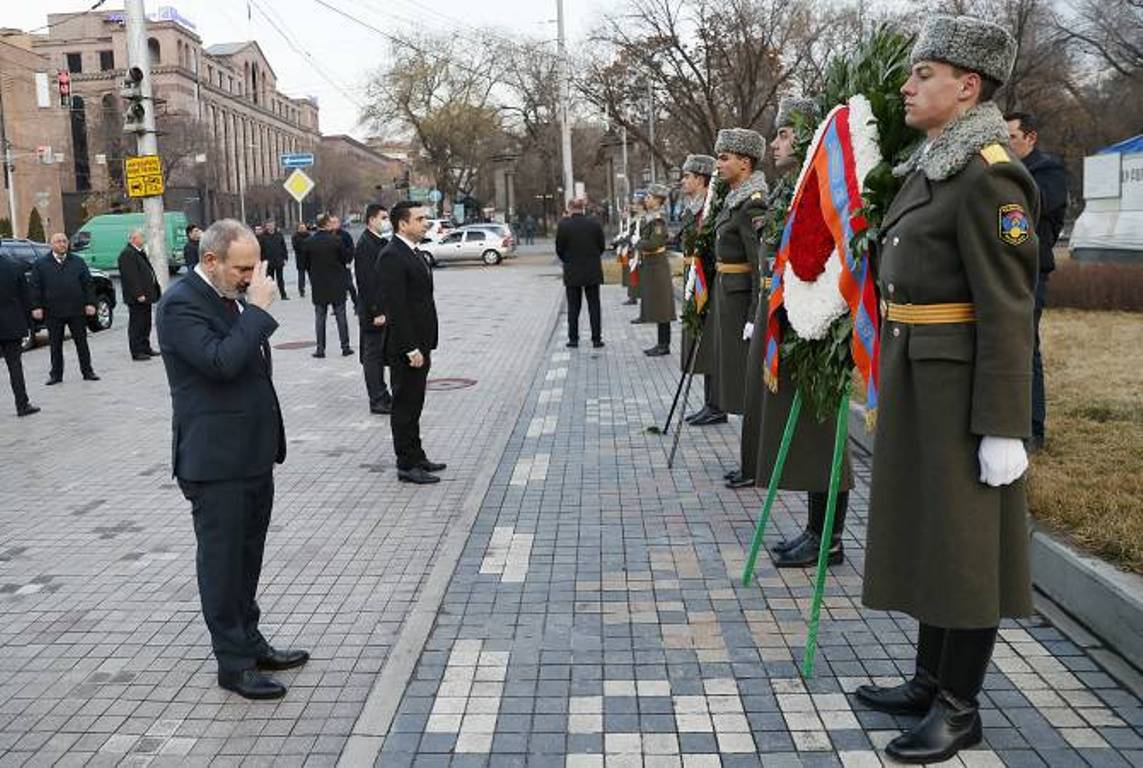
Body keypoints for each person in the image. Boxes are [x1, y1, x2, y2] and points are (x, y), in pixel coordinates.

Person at [856, 16, 1039, 764]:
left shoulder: (986, 170)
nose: (906, 85)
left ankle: (960, 708)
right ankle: (930, 678)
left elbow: (1008, 306)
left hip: (960, 389)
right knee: (932, 532)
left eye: (922, 74)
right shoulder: (934, 162)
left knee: (964, 547)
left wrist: (1003, 423)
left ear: (966, 86)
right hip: (917, 374)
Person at [155, 218, 307, 700]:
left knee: (247, 558)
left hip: (251, 455)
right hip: (215, 462)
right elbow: (220, 363)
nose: (250, 277)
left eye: (254, 267)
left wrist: (247, 311)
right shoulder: (179, 304)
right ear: (211, 260)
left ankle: (252, 640)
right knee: (223, 566)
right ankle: (233, 664)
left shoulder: (227, 299)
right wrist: (256, 313)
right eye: (243, 268)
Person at [1005, 111, 1068, 451]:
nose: (1007, 144)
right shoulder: (1004, 170)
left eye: (1012, 137)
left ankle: (1033, 429)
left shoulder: (1048, 171)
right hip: (1005, 268)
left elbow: (1038, 203)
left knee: (1026, 348)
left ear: (1030, 138)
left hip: (1031, 271)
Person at [376, 201, 446, 485]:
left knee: (415, 402)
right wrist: (410, 347)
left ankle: (417, 455)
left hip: (421, 340)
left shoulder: (413, 252)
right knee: (404, 405)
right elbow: (396, 307)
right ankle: (406, 464)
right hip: (407, 347)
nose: (425, 223)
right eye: (419, 219)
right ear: (402, 224)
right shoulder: (392, 255)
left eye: (425, 218)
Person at [711, 128, 768, 421]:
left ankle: (752, 460)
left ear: (744, 163)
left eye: (724, 158)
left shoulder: (753, 203)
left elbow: (759, 265)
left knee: (746, 376)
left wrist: (753, 315)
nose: (717, 165)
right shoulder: (733, 199)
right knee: (732, 373)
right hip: (726, 293)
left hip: (740, 299)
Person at [677, 154, 726, 426]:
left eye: (688, 176)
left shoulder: (711, 207)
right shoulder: (694, 206)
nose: (684, 181)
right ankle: (710, 402)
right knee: (701, 339)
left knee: (710, 340)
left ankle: (716, 404)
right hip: (692, 276)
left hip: (705, 279)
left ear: (701, 178)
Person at [30, 233, 100, 385]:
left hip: (76, 310)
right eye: (58, 241)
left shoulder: (77, 262)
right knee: (55, 345)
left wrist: (91, 303)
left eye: (64, 241)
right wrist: (36, 306)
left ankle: (87, 371)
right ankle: (56, 374)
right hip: (53, 311)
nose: (62, 244)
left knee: (82, 343)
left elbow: (88, 284)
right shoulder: (41, 264)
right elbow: (36, 287)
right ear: (51, 244)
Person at [355, 204, 394, 414]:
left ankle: (382, 394)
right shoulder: (365, 245)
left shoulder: (377, 241)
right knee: (373, 357)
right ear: (371, 220)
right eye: (383, 217)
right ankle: (377, 399)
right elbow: (367, 282)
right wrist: (377, 311)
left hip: (379, 310)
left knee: (378, 355)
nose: (386, 221)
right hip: (373, 313)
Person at [555, 197, 606, 349]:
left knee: (573, 307)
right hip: (592, 270)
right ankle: (596, 339)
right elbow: (601, 246)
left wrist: (568, 261)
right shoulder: (594, 224)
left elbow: (559, 249)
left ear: (569, 208)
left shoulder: (563, 225)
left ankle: (573, 339)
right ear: (583, 208)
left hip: (572, 271)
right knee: (594, 306)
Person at [302, 214, 353, 358]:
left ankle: (320, 349)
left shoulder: (309, 242)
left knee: (320, 317)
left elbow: (305, 264)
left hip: (318, 284)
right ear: (327, 225)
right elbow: (346, 258)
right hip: (337, 282)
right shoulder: (336, 241)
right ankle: (345, 347)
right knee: (341, 316)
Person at [637, 184, 676, 356]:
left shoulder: (658, 220)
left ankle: (664, 345)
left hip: (657, 266)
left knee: (663, 307)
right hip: (652, 265)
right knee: (659, 306)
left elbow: (655, 243)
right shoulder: (651, 218)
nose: (647, 200)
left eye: (650, 197)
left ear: (658, 200)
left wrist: (637, 243)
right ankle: (661, 343)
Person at [0, 250, 39, 416]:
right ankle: (22, 405)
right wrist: (29, 326)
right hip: (12, 324)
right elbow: (26, 298)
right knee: (15, 366)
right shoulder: (14, 266)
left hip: (12, 324)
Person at [118, 229, 162, 361]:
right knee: (137, 324)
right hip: (137, 297)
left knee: (145, 323)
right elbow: (131, 277)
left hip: (146, 295)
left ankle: (145, 347)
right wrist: (139, 293)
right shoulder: (127, 254)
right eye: (141, 236)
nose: (143, 238)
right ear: (132, 239)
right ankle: (137, 351)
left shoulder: (138, 252)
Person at [332, 216, 359, 312]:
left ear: (339, 223)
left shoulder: (345, 235)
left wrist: (348, 260)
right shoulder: (329, 234)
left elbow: (351, 248)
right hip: (333, 266)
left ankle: (356, 304)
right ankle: (336, 307)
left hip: (344, 265)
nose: (334, 224)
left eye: (335, 222)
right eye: (332, 222)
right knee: (335, 288)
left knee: (350, 285)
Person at [258, 219, 290, 300]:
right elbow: (260, 250)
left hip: (278, 260)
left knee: (280, 279)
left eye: (272, 225)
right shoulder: (262, 237)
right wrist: (262, 261)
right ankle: (270, 296)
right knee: (269, 280)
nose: (270, 226)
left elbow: (283, 247)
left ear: (274, 225)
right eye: (269, 225)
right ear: (266, 226)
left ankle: (283, 295)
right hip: (268, 262)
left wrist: (285, 257)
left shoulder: (279, 235)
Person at [291, 222, 310, 298]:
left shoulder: (309, 235)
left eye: (303, 227)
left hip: (309, 258)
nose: (302, 229)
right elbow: (295, 247)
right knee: (301, 276)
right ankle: (301, 290)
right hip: (300, 259)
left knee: (311, 275)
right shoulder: (295, 237)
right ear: (298, 229)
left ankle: (315, 288)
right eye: (300, 228)